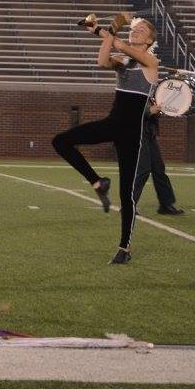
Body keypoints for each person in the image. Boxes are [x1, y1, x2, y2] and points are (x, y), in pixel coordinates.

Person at [53, 15, 159, 264]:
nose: (136, 31)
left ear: (149, 41)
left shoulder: (151, 62)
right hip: (112, 124)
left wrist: (108, 28)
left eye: (141, 30)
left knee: (126, 194)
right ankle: (98, 182)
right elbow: (102, 61)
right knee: (60, 141)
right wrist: (102, 31)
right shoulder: (124, 61)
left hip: (132, 135)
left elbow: (118, 43)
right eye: (134, 29)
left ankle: (124, 248)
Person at [133, 98, 184, 215]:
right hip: (137, 134)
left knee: (159, 170)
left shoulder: (150, 94)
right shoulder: (132, 91)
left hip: (149, 134)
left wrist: (161, 111)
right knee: (143, 170)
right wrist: (149, 111)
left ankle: (165, 205)